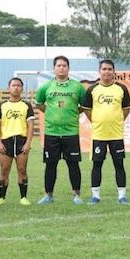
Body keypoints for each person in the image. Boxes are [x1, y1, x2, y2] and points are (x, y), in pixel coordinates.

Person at [34, 56, 86, 205]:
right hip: (52, 132)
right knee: (50, 165)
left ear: (68, 68)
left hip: (71, 132)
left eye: (64, 65)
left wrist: (72, 114)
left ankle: (76, 195)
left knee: (73, 164)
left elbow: (84, 106)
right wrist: (52, 113)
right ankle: (48, 195)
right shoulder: (46, 86)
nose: (61, 68)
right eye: (59, 65)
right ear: (54, 68)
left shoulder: (77, 87)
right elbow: (39, 104)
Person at [82, 59, 130, 204]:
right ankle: (95, 196)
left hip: (116, 135)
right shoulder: (92, 89)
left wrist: (117, 120)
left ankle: (122, 196)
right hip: (99, 135)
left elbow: (126, 109)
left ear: (114, 71)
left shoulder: (121, 88)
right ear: (99, 71)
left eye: (110, 69)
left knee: (119, 165)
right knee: (97, 165)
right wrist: (97, 121)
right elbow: (87, 110)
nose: (107, 72)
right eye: (104, 69)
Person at [0, 77, 35, 206]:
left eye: (18, 85)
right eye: (13, 85)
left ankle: (23, 197)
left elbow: (31, 126)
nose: (16, 87)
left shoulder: (26, 106)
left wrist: (28, 143)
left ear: (21, 88)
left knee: (22, 169)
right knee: (4, 170)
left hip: (22, 141)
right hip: (6, 141)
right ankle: (1, 197)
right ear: (8, 88)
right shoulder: (2, 106)